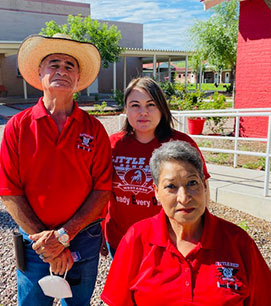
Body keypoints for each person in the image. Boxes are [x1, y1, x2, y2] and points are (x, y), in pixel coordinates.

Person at [0, 34, 112, 305]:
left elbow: (102, 189)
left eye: (69, 65)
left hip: (83, 238)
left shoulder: (94, 129)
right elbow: (8, 191)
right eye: (54, 63)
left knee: (77, 303)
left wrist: (65, 236)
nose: (61, 70)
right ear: (40, 72)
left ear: (77, 78)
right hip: (34, 242)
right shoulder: (18, 126)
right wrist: (48, 243)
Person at [101, 140, 271, 306]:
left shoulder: (238, 241)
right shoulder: (137, 238)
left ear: (205, 186)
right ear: (156, 192)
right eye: (171, 186)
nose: (184, 198)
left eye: (192, 183)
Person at [103, 77, 210, 257]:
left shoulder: (181, 143)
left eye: (151, 104)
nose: (143, 112)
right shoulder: (113, 144)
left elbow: (202, 189)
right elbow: (102, 190)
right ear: (126, 110)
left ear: (162, 107)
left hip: (169, 241)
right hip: (121, 239)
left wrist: (202, 230)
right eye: (135, 105)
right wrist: (99, 232)